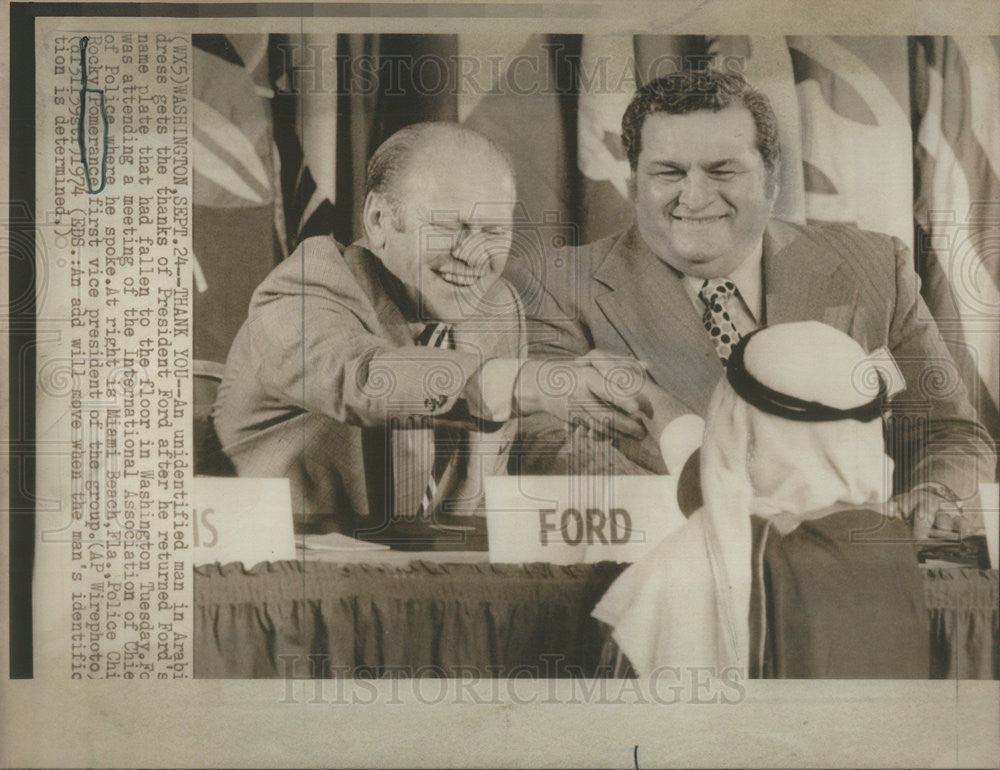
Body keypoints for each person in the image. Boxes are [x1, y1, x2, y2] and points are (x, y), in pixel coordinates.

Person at [506, 69, 994, 535]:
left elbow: (949, 431)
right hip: (670, 577)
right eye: (668, 173)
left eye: (722, 170)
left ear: (772, 178)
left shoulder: (876, 267)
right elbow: (549, 449)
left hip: (845, 578)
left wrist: (935, 493)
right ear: (635, 184)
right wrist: (743, 511)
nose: (694, 197)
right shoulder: (557, 286)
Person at [213, 122, 643, 546]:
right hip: (286, 585)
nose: (472, 255)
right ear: (379, 220)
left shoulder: (496, 310)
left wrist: (657, 496)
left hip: (436, 586)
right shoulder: (303, 292)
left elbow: (530, 440)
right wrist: (529, 382)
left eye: (493, 232)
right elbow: (365, 379)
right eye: (446, 227)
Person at [592, 321, 931, 678]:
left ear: (734, 420)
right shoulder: (888, 541)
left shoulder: (693, 560)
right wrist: (650, 398)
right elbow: (719, 482)